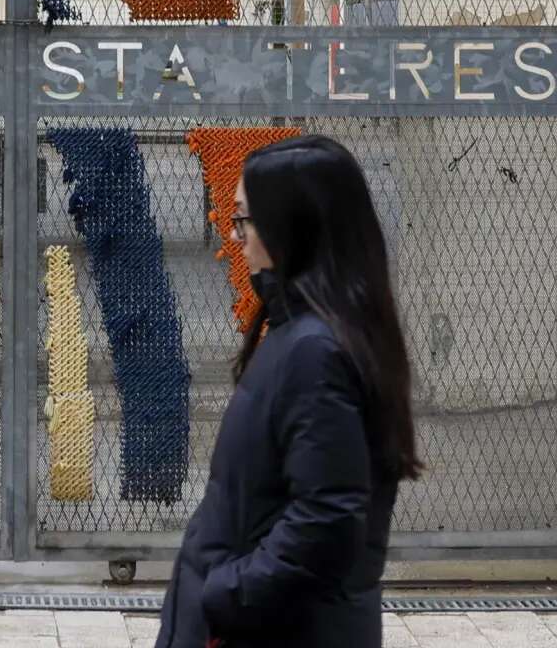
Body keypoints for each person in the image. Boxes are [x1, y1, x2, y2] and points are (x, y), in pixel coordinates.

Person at [157, 135, 423, 648]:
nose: (236, 237)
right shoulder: (300, 332)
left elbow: (327, 519)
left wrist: (224, 597)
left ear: (290, 229)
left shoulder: (315, 351)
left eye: (243, 220)